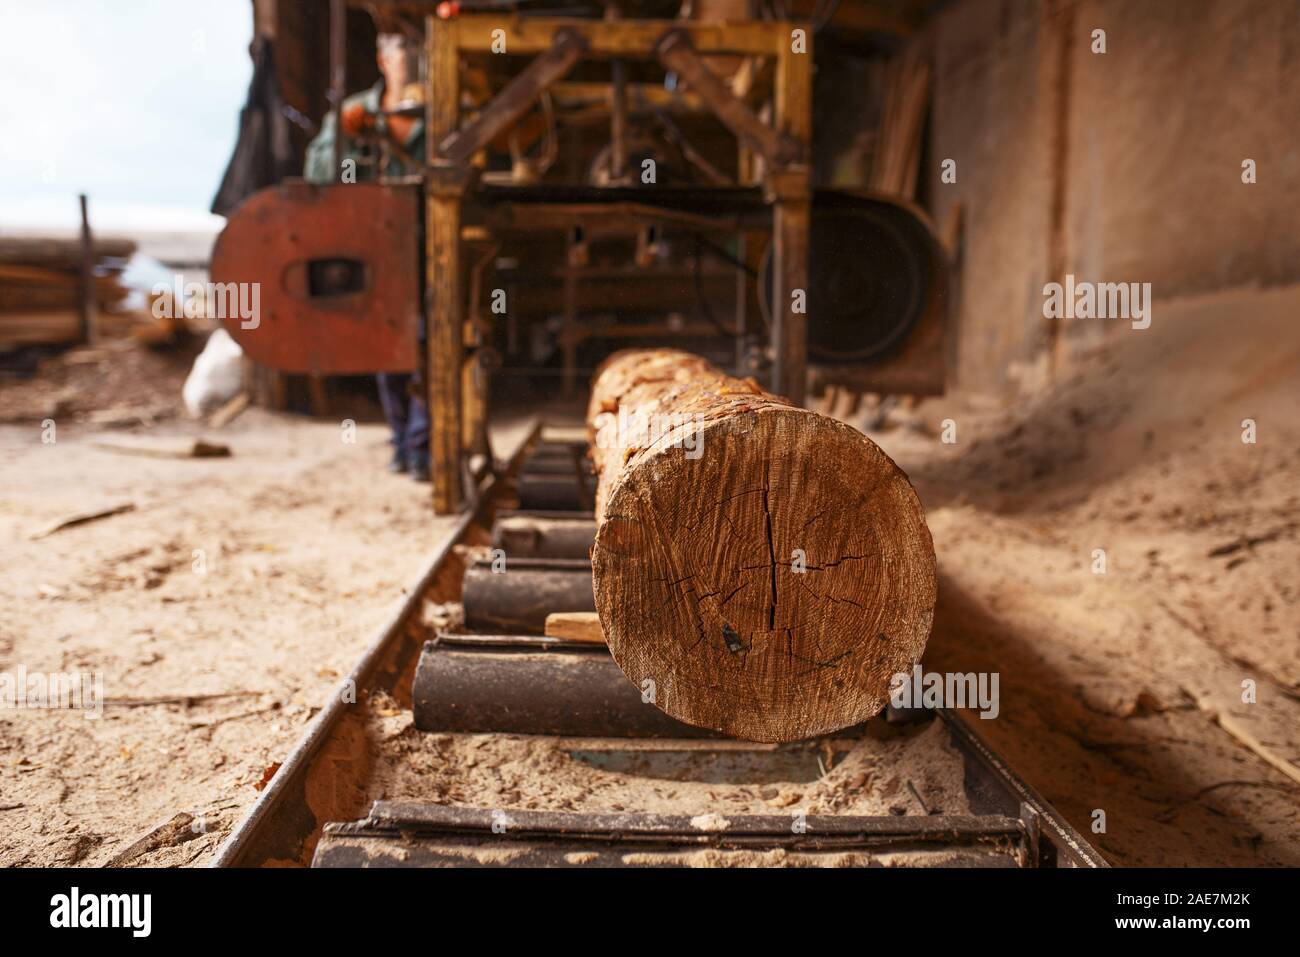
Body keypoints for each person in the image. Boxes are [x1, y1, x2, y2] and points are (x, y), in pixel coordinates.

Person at [303, 32, 430, 481]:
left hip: (432, 250)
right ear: (382, 59)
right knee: (389, 352)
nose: (411, 60)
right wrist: (344, 135)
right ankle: (403, 442)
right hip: (378, 255)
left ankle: (421, 448)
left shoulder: (445, 112)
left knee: (431, 348)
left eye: (419, 51)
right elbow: (318, 173)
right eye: (402, 52)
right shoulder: (357, 112)